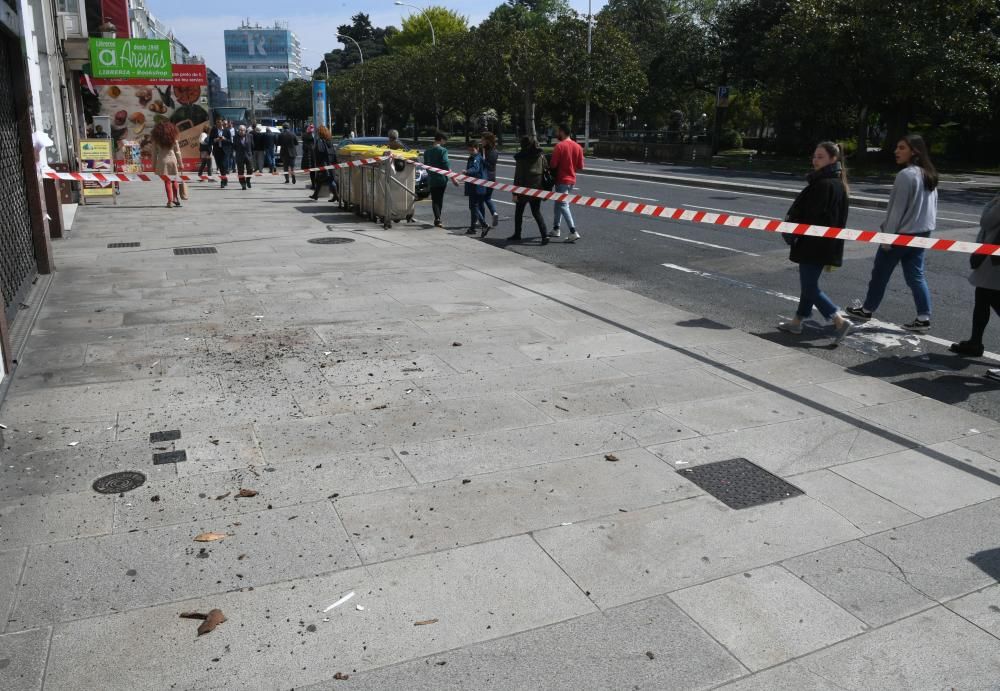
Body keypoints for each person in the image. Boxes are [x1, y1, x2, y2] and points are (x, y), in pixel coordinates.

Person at [847, 134, 939, 331]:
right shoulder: (929, 174)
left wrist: (887, 238)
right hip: (922, 233)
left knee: (880, 273)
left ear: (914, 151)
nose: (896, 151)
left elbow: (897, 210)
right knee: (916, 275)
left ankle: (867, 309)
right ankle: (923, 317)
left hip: (901, 235)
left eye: (901, 148)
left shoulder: (906, 175)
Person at [776, 141, 853, 342]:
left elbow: (810, 216)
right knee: (808, 284)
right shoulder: (838, 184)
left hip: (813, 244)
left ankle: (837, 318)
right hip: (826, 244)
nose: (815, 160)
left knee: (810, 287)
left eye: (820, 157)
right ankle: (797, 322)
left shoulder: (822, 185)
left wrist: (793, 229)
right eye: (814, 156)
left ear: (833, 159)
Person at [950, 193, 1000, 358]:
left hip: (994, 258)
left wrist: (994, 202)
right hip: (992, 257)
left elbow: (986, 221)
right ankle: (975, 342)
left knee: (989, 296)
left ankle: (975, 342)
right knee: (983, 297)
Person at [507, 136, 549, 245]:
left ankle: (517, 234)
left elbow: (518, 176)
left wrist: (515, 192)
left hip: (523, 189)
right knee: (536, 212)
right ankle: (545, 235)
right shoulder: (540, 155)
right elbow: (546, 170)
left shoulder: (521, 157)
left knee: (519, 212)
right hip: (537, 188)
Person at [549, 123, 584, 242]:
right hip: (572, 180)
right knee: (558, 204)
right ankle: (556, 228)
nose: (557, 134)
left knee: (563, 204)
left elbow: (553, 164)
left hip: (561, 179)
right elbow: (580, 166)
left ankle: (573, 231)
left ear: (562, 131)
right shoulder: (578, 147)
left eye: (558, 131)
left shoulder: (560, 146)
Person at [423, 131, 457, 227]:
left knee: (434, 199)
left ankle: (437, 218)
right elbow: (445, 164)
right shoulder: (443, 150)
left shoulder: (427, 151)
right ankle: (438, 218)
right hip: (441, 178)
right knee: (439, 199)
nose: (445, 143)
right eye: (444, 141)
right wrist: (452, 176)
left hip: (431, 178)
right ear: (441, 139)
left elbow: (425, 164)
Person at [151, 121, 183, 208]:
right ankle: (175, 198)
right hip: (173, 160)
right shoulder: (174, 138)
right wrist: (181, 163)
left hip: (162, 161)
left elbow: (154, 153)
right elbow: (178, 152)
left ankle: (170, 201)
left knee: (167, 182)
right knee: (174, 180)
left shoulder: (156, 140)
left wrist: (153, 165)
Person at [463, 142, 488, 235]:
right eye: (469, 150)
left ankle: (484, 224)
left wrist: (467, 171)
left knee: (473, 206)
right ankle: (472, 227)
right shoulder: (475, 157)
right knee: (476, 206)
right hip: (479, 185)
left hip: (476, 186)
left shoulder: (476, 158)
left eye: (472, 150)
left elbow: (475, 168)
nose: (470, 152)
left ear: (477, 148)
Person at [308, 126, 338, 202]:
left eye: (318, 132)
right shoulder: (329, 140)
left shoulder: (320, 141)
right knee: (319, 180)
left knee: (329, 180)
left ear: (320, 133)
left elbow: (320, 152)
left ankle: (336, 196)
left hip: (323, 163)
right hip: (330, 162)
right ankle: (315, 195)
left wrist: (314, 150)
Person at [481, 131, 500, 228]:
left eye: (483, 139)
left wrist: (482, 160)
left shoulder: (483, 151)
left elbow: (488, 165)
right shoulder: (495, 151)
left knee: (480, 200)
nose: (481, 141)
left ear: (487, 141)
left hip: (484, 178)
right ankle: (494, 213)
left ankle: (481, 220)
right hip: (492, 178)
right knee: (487, 198)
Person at [210, 118, 231, 188]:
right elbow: (210, 141)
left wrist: (224, 139)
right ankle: (225, 179)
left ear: (222, 123)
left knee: (223, 165)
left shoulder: (227, 131)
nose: (218, 123)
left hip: (225, 150)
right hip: (217, 150)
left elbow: (230, 141)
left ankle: (223, 181)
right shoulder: (213, 130)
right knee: (219, 165)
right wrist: (215, 140)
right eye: (217, 122)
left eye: (219, 122)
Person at [233, 124, 254, 190]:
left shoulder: (250, 136)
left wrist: (251, 154)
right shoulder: (235, 137)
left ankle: (248, 180)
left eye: (242, 130)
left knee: (250, 169)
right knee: (240, 171)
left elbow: (252, 146)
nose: (241, 131)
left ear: (245, 130)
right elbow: (234, 147)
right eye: (239, 130)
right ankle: (243, 184)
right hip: (240, 156)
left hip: (248, 155)